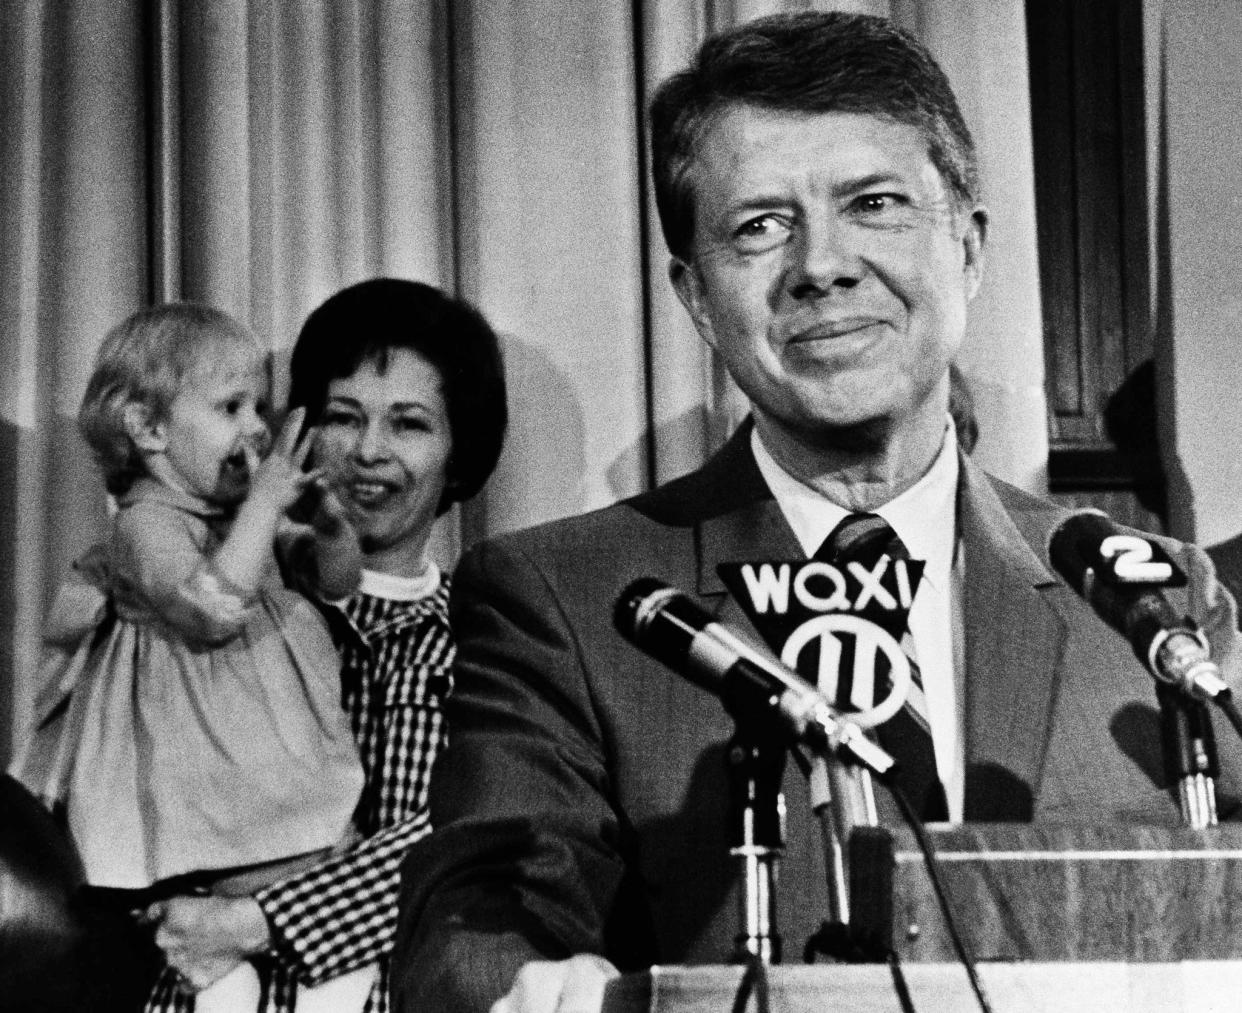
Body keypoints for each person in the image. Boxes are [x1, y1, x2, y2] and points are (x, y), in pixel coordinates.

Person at [390, 12, 1242, 1013]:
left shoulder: (1146, 598)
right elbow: (475, 924)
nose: (820, 265)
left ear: (967, 246)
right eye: (758, 226)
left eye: (873, 204)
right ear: (698, 299)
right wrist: (523, 985)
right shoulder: (565, 597)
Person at [134, 280, 506, 1012]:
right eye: (343, 417)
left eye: (408, 424)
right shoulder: (221, 610)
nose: (368, 452)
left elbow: (465, 845)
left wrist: (261, 919)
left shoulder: (490, 641)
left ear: (458, 451)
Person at [11, 303, 366, 1007]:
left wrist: (327, 524)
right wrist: (265, 505)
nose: (257, 427)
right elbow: (209, 608)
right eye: (231, 406)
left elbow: (336, 579)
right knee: (227, 972)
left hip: (274, 770)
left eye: (259, 406)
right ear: (148, 430)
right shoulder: (144, 525)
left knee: (332, 956)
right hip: (211, 783)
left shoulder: (238, 521)